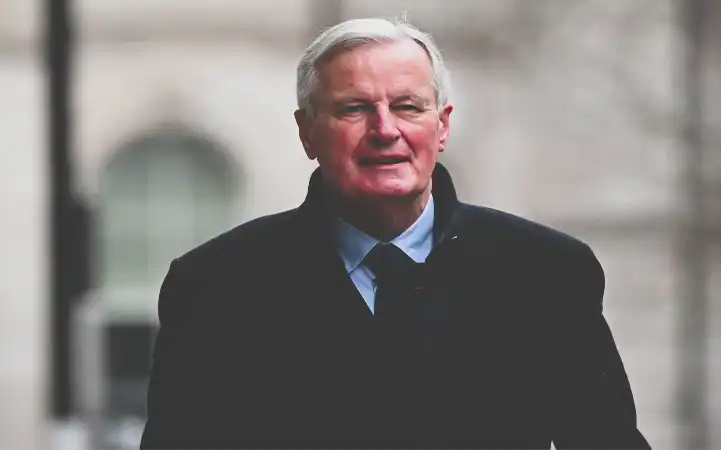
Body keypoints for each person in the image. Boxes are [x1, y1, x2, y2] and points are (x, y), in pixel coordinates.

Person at [140, 16, 651, 449]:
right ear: (307, 132)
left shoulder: (546, 275)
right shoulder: (215, 287)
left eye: (408, 106)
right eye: (354, 108)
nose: (385, 130)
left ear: (442, 126)